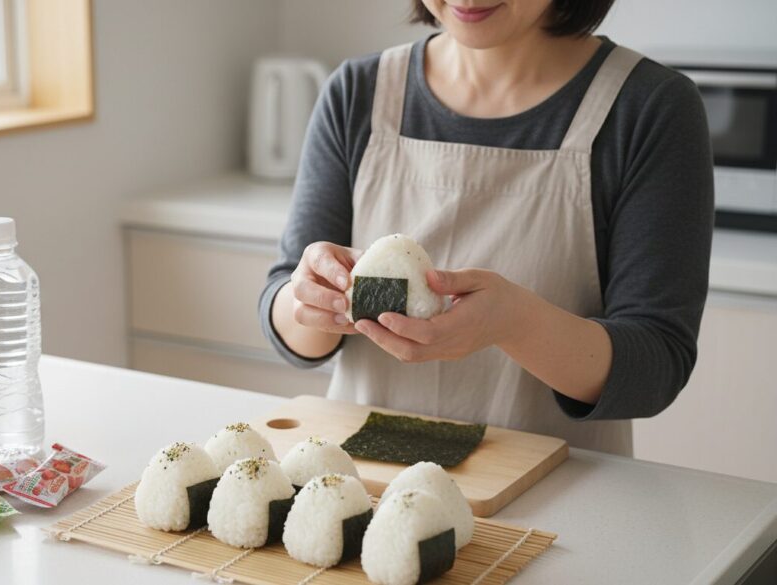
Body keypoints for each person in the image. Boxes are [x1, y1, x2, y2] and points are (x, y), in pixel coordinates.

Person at [258, 0, 713, 455]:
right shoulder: (357, 93)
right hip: (364, 487)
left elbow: (655, 367)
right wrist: (315, 299)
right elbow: (287, 309)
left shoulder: (650, 107)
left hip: (558, 498)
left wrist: (515, 323)